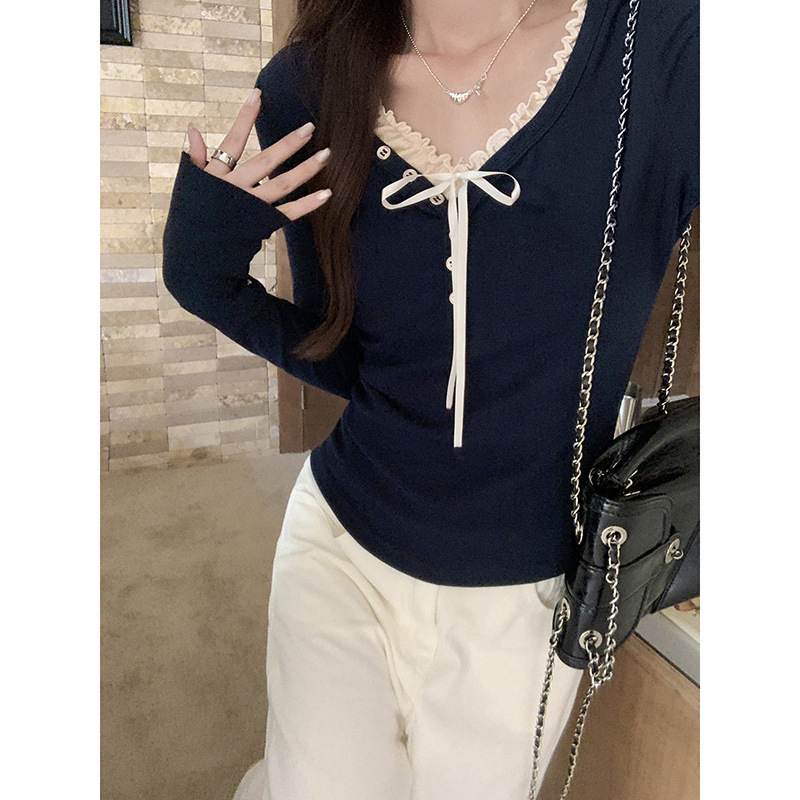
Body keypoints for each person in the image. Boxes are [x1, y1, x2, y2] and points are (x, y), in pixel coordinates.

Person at [162, 1, 699, 798]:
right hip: (341, 543)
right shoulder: (311, 83)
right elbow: (350, 359)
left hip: (529, 594)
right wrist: (200, 270)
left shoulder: (665, 48)